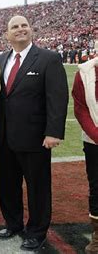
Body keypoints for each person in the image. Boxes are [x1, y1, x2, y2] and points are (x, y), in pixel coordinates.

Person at [0, 16, 69, 251]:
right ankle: (13, 223)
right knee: (8, 184)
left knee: (37, 187)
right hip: (4, 137)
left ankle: (37, 231)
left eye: (24, 25)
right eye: (14, 26)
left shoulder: (49, 59)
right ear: (7, 34)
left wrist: (53, 132)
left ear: (31, 31)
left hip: (35, 137)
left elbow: (57, 98)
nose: (20, 29)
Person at [72, 40, 98, 254]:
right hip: (94, 141)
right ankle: (97, 235)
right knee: (97, 187)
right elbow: (80, 108)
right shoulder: (85, 72)